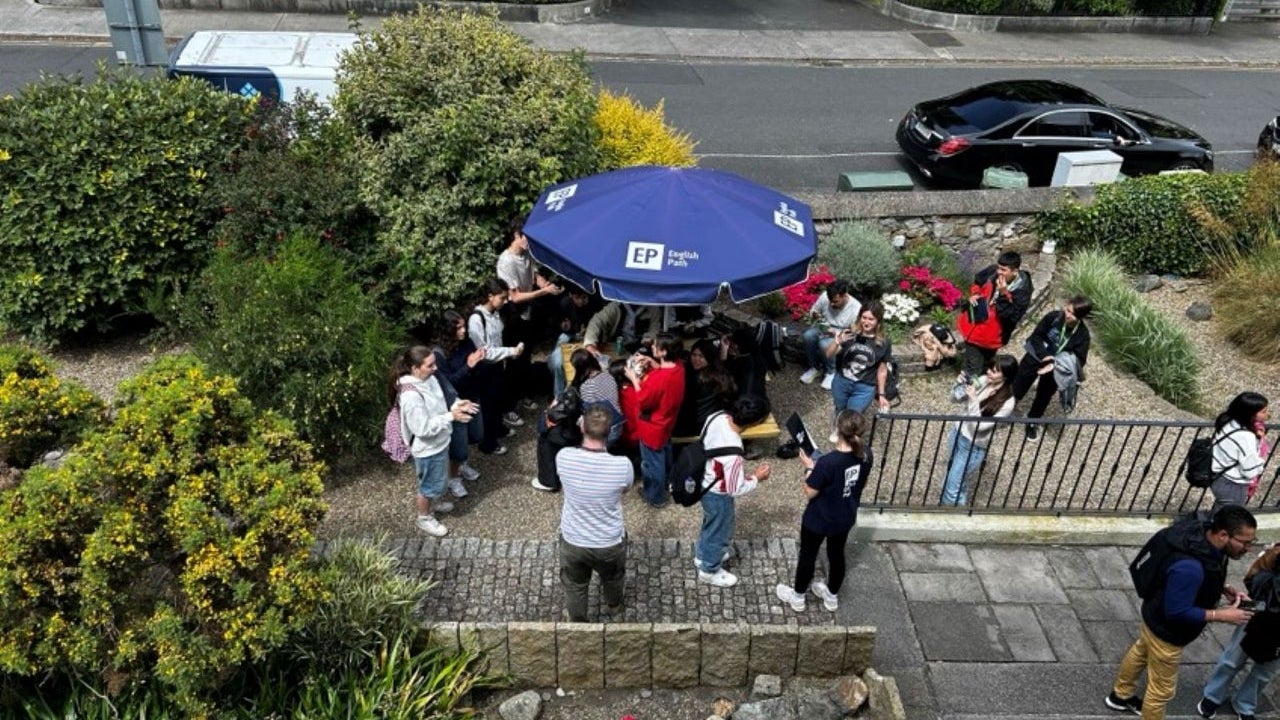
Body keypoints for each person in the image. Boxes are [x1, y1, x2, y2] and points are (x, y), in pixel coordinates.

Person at [1106, 505, 1258, 719]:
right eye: (1245, 542)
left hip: (1153, 615)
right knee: (1161, 691)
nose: (1249, 548)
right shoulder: (1190, 568)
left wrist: (1222, 589)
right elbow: (1177, 612)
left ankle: (1120, 696)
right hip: (1168, 632)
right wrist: (1220, 615)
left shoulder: (1202, 536)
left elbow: (1199, 576)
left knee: (1141, 651)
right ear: (1223, 535)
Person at [774, 410, 871, 613]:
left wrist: (810, 468)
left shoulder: (828, 462)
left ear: (838, 430)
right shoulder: (866, 455)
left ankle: (798, 596)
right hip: (844, 515)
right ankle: (831, 595)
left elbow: (810, 492)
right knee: (836, 554)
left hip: (819, 517)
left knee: (808, 554)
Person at [556, 406, 635, 622]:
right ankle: (614, 605)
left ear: (582, 426)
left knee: (575, 584)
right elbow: (626, 488)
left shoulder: (563, 457)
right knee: (613, 577)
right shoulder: (623, 466)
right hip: (609, 541)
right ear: (610, 432)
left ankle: (578, 620)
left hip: (573, 540)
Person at [390, 346, 477, 538]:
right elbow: (422, 429)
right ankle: (424, 517)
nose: (435, 368)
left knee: (436, 481)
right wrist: (451, 416)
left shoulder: (429, 378)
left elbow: (440, 402)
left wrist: (456, 405)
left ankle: (434, 505)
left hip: (439, 441)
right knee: (428, 486)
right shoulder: (411, 396)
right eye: (430, 365)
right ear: (415, 368)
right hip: (427, 448)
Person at [1195, 541, 1280, 720]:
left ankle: (1245, 703)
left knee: (1265, 671)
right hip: (1259, 609)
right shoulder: (1277, 553)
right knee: (1233, 658)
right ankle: (1213, 695)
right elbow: (1254, 576)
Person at [695, 394, 772, 588]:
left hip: (704, 482)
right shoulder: (734, 453)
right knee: (721, 532)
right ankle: (709, 569)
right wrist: (756, 477)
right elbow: (735, 488)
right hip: (718, 494)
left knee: (710, 523)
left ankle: (702, 555)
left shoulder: (716, 417)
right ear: (754, 423)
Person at [496, 217, 563, 411]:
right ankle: (509, 407)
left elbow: (535, 276)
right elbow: (514, 296)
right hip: (513, 316)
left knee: (526, 357)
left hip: (527, 314)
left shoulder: (527, 254)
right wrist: (543, 292)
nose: (529, 240)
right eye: (526, 236)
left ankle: (524, 395)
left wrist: (548, 286)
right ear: (516, 236)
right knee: (514, 360)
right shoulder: (506, 261)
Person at [533, 349, 623, 492]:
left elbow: (582, 413)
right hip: (617, 425)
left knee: (551, 432)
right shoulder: (608, 376)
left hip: (603, 431)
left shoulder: (587, 387)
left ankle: (548, 479)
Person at [940, 354, 1017, 506]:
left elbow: (978, 426)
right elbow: (954, 398)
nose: (989, 372)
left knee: (952, 488)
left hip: (972, 446)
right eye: (990, 368)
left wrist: (974, 400)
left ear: (1006, 377)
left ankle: (951, 519)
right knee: (953, 479)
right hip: (957, 433)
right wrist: (959, 385)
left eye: (995, 371)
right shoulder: (982, 380)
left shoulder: (1008, 402)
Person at [1013, 296, 1093, 442]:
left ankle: (1033, 420)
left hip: (1056, 368)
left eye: (1073, 314)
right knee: (1020, 382)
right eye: (1068, 310)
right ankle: (1008, 405)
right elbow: (1036, 336)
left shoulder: (1083, 335)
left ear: (1081, 317)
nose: (1068, 315)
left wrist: (1056, 363)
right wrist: (1045, 357)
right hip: (1037, 355)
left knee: (1044, 395)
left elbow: (1079, 361)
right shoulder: (1053, 318)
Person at [626, 333, 686, 507]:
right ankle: (667, 483)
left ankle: (654, 495)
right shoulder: (679, 367)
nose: (652, 347)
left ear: (663, 351)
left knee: (652, 464)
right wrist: (653, 363)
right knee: (665, 454)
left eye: (655, 346)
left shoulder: (660, 379)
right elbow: (664, 373)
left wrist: (634, 378)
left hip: (652, 426)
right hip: (667, 422)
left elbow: (643, 400)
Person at [469, 277, 525, 456]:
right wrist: (510, 352)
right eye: (502, 297)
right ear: (490, 296)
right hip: (485, 368)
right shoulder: (476, 319)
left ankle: (499, 428)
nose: (505, 301)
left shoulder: (495, 314)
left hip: (498, 364)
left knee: (498, 399)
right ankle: (488, 443)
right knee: (488, 405)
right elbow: (484, 351)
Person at [956, 250, 1033, 379]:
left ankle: (979, 386)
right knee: (973, 367)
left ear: (1015, 271)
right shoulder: (993, 271)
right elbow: (978, 281)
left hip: (993, 336)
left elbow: (1011, 316)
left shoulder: (1022, 292)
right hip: (974, 327)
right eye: (998, 267)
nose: (998, 272)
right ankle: (968, 390)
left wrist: (1004, 294)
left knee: (986, 363)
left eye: (1003, 270)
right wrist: (975, 294)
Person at [436, 310, 487, 498]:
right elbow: (449, 384)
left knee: (476, 434)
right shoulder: (440, 355)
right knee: (458, 445)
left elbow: (475, 366)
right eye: (458, 328)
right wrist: (469, 366)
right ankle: (453, 477)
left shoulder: (466, 343)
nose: (464, 331)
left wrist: (478, 361)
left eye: (464, 326)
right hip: (457, 404)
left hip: (473, 397)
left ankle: (463, 464)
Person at [825, 300, 892, 438]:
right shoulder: (849, 334)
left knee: (854, 414)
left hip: (864, 387)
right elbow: (828, 354)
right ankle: (838, 428)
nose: (866, 322)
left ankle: (847, 438)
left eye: (871, 319)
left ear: (878, 321)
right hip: (842, 381)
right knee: (840, 409)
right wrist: (837, 342)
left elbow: (882, 370)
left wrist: (881, 395)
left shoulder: (884, 342)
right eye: (864, 317)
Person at [1209, 392, 1271, 512]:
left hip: (1218, 477)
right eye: (1263, 412)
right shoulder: (1245, 436)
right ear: (1250, 414)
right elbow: (1249, 470)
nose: (1267, 415)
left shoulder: (1228, 421)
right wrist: (1260, 463)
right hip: (1232, 484)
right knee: (1229, 518)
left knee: (1221, 512)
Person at [799, 279, 861, 390]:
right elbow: (814, 311)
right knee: (808, 336)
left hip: (842, 333)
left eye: (836, 301)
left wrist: (838, 334)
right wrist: (816, 316)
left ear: (844, 296)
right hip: (824, 327)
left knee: (825, 343)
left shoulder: (856, 307)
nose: (832, 304)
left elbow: (854, 332)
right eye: (830, 300)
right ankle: (814, 368)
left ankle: (831, 372)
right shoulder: (825, 297)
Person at [548, 286, 602, 398]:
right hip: (569, 335)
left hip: (588, 337)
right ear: (571, 296)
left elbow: (598, 323)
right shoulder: (564, 303)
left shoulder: (594, 303)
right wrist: (563, 326)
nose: (581, 301)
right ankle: (559, 396)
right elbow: (555, 323)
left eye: (583, 297)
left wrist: (588, 330)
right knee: (557, 362)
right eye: (577, 298)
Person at [675, 338, 735, 438]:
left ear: (709, 358)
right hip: (711, 422)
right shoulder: (719, 374)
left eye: (701, 356)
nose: (696, 359)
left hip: (696, 426)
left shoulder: (698, 380)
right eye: (694, 355)